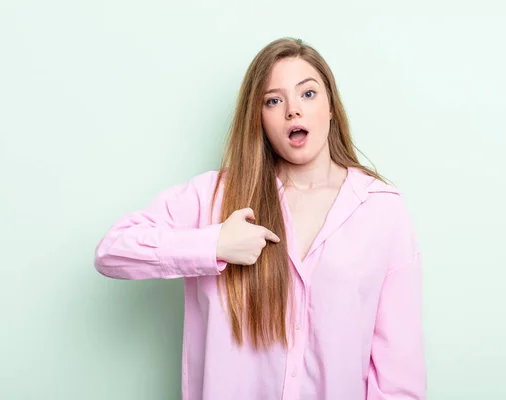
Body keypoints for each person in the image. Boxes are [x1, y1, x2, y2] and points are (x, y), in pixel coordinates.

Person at [94, 37, 426, 400]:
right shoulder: (215, 196)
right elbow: (112, 250)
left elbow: (399, 375)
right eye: (273, 100)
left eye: (308, 94)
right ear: (259, 118)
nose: (293, 111)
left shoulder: (381, 209)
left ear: (331, 106)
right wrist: (214, 244)